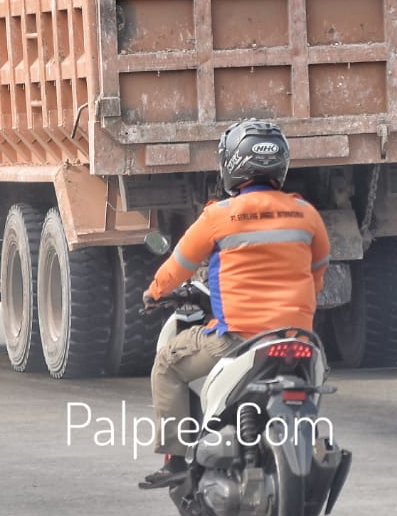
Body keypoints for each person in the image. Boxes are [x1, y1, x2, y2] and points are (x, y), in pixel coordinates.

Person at [139, 119, 330, 489]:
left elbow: (178, 265)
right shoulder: (305, 213)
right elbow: (318, 271)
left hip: (238, 338)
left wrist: (154, 293)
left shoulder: (218, 216)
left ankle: (176, 459)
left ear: (233, 164)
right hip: (299, 338)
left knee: (166, 365)